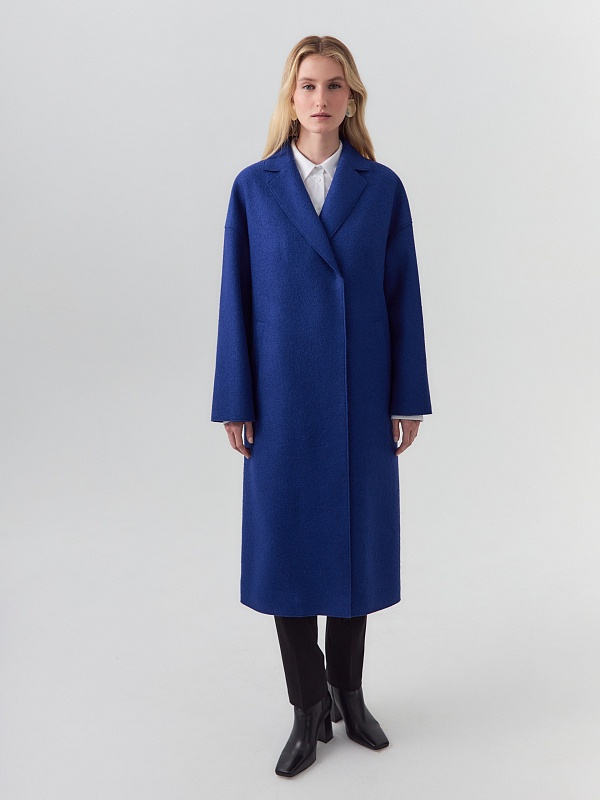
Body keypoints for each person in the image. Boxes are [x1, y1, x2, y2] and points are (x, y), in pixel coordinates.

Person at [211, 34, 432, 777]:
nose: (321, 98)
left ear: (352, 98)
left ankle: (349, 693)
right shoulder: (254, 187)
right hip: (280, 401)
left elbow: (402, 297)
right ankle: (307, 706)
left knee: (354, 546)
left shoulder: (381, 187)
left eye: (335, 85)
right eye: (308, 85)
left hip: (361, 397)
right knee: (288, 550)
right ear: (291, 95)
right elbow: (235, 300)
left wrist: (406, 397)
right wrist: (236, 398)